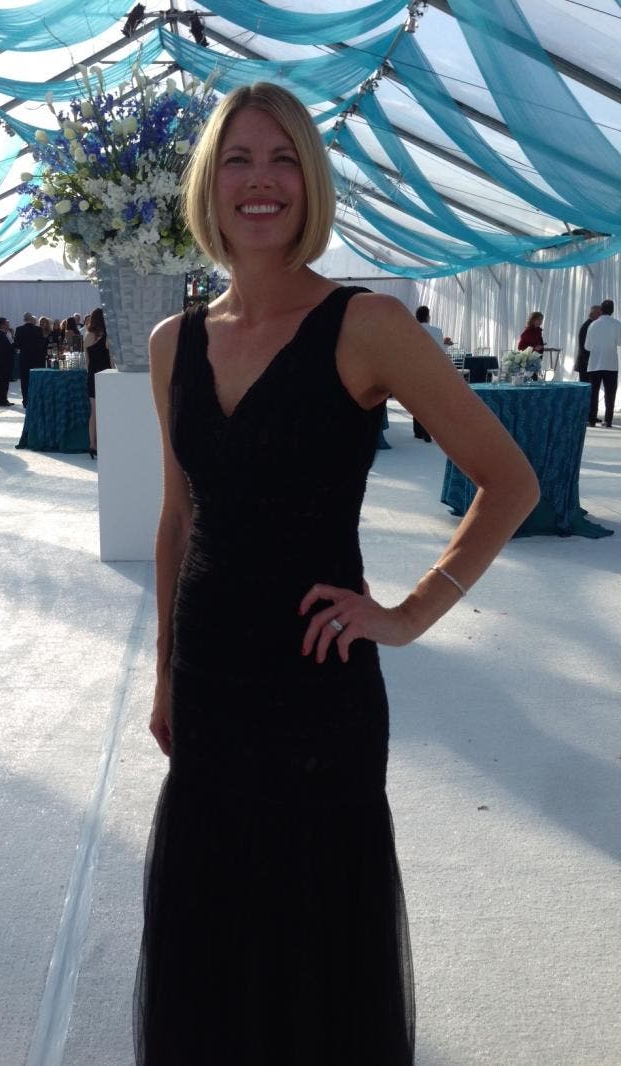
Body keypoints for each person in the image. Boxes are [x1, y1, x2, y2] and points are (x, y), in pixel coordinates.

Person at [138, 82, 539, 1066]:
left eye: (283, 158)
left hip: (318, 692)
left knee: (316, 951)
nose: (260, 180)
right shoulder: (171, 344)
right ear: (209, 183)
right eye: (238, 159)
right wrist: (162, 673)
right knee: (212, 946)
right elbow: (178, 519)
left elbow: (510, 482)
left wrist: (408, 613)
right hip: (209, 685)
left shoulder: (367, 324)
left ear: (309, 181)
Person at [584, 298, 621, 428]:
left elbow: (587, 346)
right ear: (612, 310)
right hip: (610, 364)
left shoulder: (593, 325)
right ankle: (608, 420)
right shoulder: (617, 324)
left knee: (593, 393)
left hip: (594, 364)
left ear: (601, 309)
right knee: (610, 394)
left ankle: (592, 420)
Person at [412, 306, 444, 442]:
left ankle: (419, 431)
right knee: (431, 400)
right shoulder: (437, 331)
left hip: (417, 369)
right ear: (428, 316)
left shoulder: (411, 329)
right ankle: (429, 427)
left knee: (417, 400)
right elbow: (441, 351)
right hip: (433, 369)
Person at [84, 307, 113, 458]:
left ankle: (92, 444)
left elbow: (87, 361)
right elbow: (112, 361)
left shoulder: (87, 336)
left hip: (92, 376)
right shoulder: (108, 337)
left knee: (93, 412)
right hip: (106, 377)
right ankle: (106, 442)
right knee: (107, 411)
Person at [15, 312, 48, 406]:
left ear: (24, 319)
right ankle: (36, 400)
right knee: (36, 379)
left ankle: (25, 401)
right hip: (36, 359)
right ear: (31, 319)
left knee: (25, 380)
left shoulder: (19, 329)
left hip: (24, 358)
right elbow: (41, 344)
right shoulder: (38, 329)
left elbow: (17, 345)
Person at [575, 304, 602, 384]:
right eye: (599, 313)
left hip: (588, 364)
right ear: (592, 314)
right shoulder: (588, 326)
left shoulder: (591, 325)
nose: (600, 316)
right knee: (587, 387)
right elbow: (583, 347)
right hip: (586, 364)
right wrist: (590, 363)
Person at [0, 317, 16, 406]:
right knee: (2, 382)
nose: (8, 325)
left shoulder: (4, 335)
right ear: (2, 325)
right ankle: (1, 400)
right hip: (2, 363)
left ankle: (3, 399)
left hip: (4, 363)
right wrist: (13, 345)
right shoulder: (0, 336)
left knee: (4, 382)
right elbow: (8, 349)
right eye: (7, 323)